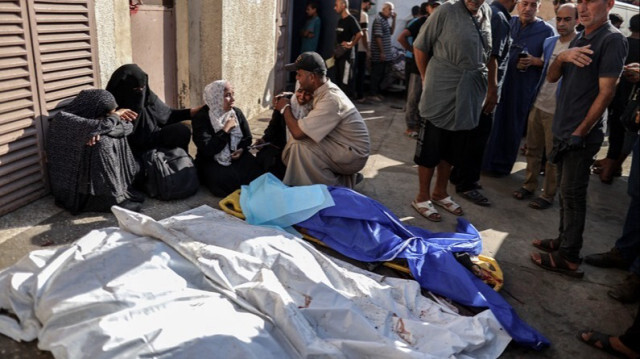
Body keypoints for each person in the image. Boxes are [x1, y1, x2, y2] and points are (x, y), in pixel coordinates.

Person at [530, 0, 628, 277]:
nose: (583, 8)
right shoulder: (580, 37)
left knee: (573, 196)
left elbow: (606, 93)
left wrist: (580, 132)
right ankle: (563, 241)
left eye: (590, 1)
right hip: (563, 129)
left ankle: (569, 256)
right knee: (565, 193)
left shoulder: (612, 40)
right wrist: (561, 57)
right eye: (580, 1)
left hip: (580, 135)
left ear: (608, 4)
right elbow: (550, 78)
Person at [411, 0, 492, 221]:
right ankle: (422, 196)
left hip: (469, 95)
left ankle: (440, 192)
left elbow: (487, 54)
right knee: (431, 148)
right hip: (441, 90)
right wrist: (427, 78)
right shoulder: (446, 10)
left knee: (453, 149)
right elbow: (420, 46)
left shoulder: (486, 12)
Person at [449, 0, 517, 207]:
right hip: (483, 90)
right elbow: (491, 58)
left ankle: (458, 175)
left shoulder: (492, 13)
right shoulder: (499, 17)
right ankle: (466, 183)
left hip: (477, 87)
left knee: (470, 135)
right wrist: (492, 91)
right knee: (477, 138)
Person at [512, 4, 579, 210]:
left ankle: (548, 194)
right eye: (559, 19)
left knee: (552, 156)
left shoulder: (581, 44)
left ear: (577, 21)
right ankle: (528, 185)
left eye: (567, 19)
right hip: (539, 103)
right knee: (532, 149)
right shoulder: (550, 42)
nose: (562, 23)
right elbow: (546, 67)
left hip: (559, 111)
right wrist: (532, 62)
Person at [275, 52, 370, 188]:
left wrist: (285, 108)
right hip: (342, 146)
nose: (297, 78)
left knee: (299, 145)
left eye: (299, 74)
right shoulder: (322, 91)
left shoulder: (331, 99)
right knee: (302, 143)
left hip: (354, 155)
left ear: (312, 77)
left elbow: (297, 132)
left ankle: (333, 189)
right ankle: (333, 180)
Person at [482, 0, 555, 176]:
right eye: (524, 3)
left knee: (512, 125)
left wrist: (535, 61)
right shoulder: (508, 21)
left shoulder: (547, 31)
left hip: (522, 87)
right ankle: (483, 163)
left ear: (539, 7)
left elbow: (553, 63)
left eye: (532, 5)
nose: (527, 9)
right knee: (491, 123)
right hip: (499, 83)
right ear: (518, 4)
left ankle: (501, 167)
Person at [46, 89, 143, 214]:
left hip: (87, 171)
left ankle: (119, 193)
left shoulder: (93, 119)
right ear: (93, 107)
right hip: (73, 185)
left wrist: (100, 130)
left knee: (109, 136)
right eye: (106, 113)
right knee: (103, 142)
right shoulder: (64, 119)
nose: (108, 116)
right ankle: (109, 200)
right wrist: (111, 120)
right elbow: (103, 125)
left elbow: (127, 127)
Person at [106, 64, 202, 156]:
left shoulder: (148, 98)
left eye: (142, 88)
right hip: (129, 153)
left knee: (180, 130)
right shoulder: (108, 106)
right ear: (122, 89)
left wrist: (191, 112)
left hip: (153, 141)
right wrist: (116, 116)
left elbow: (168, 115)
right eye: (135, 89)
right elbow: (104, 129)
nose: (140, 93)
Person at [192, 80, 263, 197]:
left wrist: (241, 149)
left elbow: (247, 138)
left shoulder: (236, 113)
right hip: (212, 159)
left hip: (236, 157)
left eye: (232, 94)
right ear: (215, 97)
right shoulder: (202, 118)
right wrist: (226, 129)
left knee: (257, 175)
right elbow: (207, 149)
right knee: (224, 183)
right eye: (227, 96)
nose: (233, 100)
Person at [592, 14, 639, 183]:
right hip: (631, 101)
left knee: (615, 132)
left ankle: (610, 167)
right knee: (626, 134)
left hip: (612, 93)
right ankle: (611, 167)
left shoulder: (620, 41)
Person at [254, 82, 314, 179]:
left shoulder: (317, 108)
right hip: (283, 149)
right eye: (299, 91)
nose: (302, 97)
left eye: (307, 94)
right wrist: (264, 140)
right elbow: (273, 127)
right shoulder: (285, 102)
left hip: (306, 153)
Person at [397, 2, 432, 138]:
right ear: (428, 8)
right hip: (417, 66)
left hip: (432, 68)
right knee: (414, 96)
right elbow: (401, 37)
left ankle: (418, 125)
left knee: (423, 98)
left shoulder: (440, 22)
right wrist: (413, 51)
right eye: (433, 6)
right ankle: (411, 126)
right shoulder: (421, 21)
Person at [333, 0, 363, 97]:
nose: (334, 8)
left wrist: (351, 44)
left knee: (345, 83)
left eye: (336, 5)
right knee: (337, 81)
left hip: (347, 58)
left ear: (343, 5)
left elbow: (360, 33)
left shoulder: (351, 20)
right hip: (339, 56)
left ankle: (345, 107)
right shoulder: (340, 20)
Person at [369, 2, 396, 102]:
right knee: (376, 74)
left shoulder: (385, 20)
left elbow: (391, 32)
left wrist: (394, 20)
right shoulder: (379, 20)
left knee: (381, 74)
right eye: (390, 9)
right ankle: (373, 93)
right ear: (384, 9)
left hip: (384, 54)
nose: (391, 12)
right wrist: (382, 52)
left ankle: (377, 92)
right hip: (379, 54)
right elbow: (378, 37)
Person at [355, 0, 374, 102]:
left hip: (355, 48)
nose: (370, 6)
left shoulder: (355, 13)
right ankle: (360, 95)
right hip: (361, 49)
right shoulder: (364, 15)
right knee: (361, 73)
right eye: (369, 4)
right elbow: (364, 34)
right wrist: (367, 49)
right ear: (365, 3)